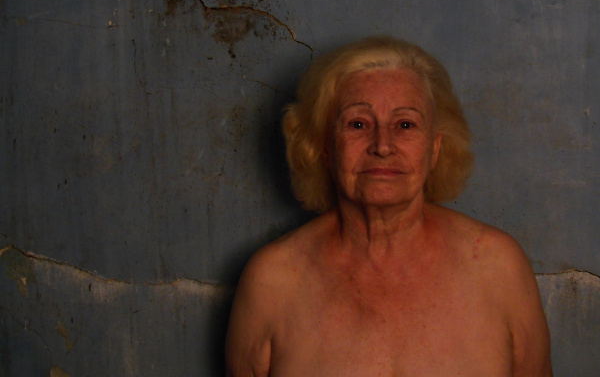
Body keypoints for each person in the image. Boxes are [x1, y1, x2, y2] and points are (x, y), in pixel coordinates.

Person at [225, 36, 553, 377]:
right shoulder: (272, 281)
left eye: (405, 125)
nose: (382, 146)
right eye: (358, 124)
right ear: (324, 147)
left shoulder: (498, 268)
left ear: (434, 149)